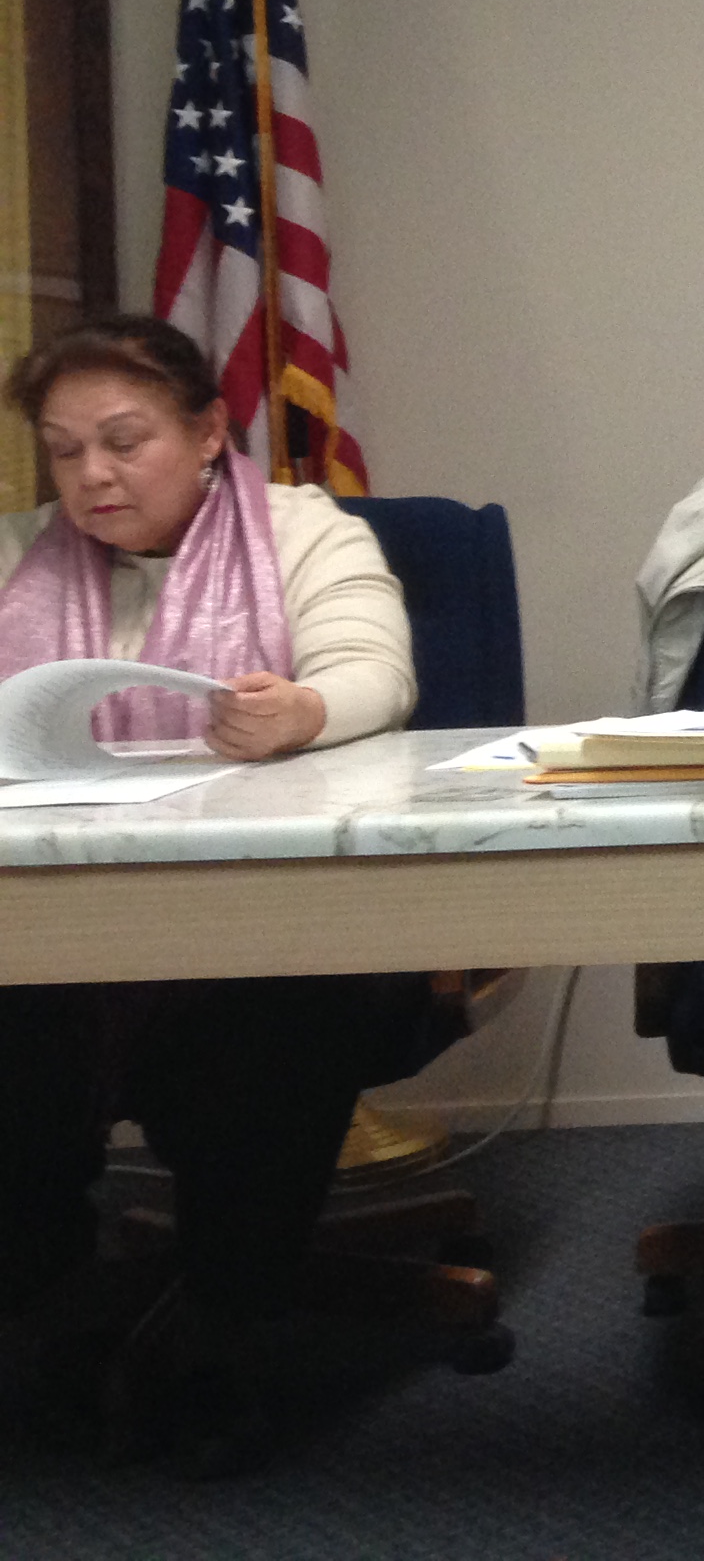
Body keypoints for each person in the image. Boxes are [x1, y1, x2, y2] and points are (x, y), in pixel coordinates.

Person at [0, 313, 420, 1474]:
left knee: (271, 1013)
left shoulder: (299, 530)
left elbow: (373, 670)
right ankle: (58, 1316)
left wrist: (301, 711)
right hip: (56, 935)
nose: (93, 474)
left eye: (125, 440)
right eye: (65, 447)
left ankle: (226, 1329)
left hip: (266, 927)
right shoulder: (15, 558)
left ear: (206, 433)